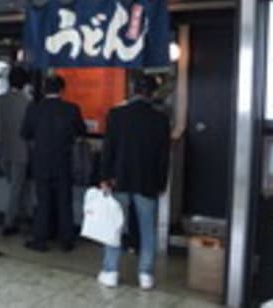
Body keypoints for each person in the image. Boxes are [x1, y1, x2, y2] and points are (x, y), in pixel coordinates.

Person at [98, 75, 171, 290]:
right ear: (152, 94)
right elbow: (163, 156)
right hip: (147, 181)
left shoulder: (117, 115)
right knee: (148, 229)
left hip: (119, 179)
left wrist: (104, 177)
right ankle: (145, 275)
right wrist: (161, 183)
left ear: (132, 90)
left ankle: (110, 271)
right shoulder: (160, 119)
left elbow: (108, 149)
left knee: (115, 227)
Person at [21, 75, 86, 252]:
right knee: (65, 201)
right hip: (63, 161)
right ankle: (66, 240)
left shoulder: (34, 108)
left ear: (44, 89)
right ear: (62, 90)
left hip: (41, 161)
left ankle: (40, 239)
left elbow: (25, 133)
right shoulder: (72, 109)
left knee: (43, 201)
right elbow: (81, 132)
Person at [0, 67, 31, 237]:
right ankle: (9, 223)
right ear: (24, 84)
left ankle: (21, 215)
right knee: (16, 187)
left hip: (1, 150)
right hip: (21, 151)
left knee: (14, 186)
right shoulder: (28, 102)